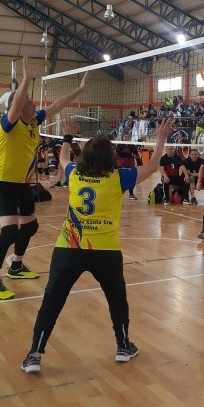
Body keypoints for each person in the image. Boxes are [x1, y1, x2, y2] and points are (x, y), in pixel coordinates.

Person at [20, 117, 173, 374]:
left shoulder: (74, 174)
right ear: (109, 157)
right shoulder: (119, 177)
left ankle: (34, 353)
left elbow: (65, 158)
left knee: (52, 301)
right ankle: (123, 346)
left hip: (69, 247)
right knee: (116, 300)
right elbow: (154, 164)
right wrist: (160, 139)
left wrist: (67, 137)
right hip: (105, 251)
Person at [0, 56, 88, 301]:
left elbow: (57, 105)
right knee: (8, 232)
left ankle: (16, 266)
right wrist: (27, 80)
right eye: (29, 103)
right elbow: (18, 102)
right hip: (4, 182)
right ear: (18, 109)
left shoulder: (33, 122)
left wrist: (79, 90)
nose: (34, 106)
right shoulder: (8, 124)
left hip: (23, 183)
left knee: (31, 226)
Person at [115, 136, 140, 200]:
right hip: (121, 164)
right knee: (121, 179)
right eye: (125, 137)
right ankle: (119, 193)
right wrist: (131, 155)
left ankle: (131, 194)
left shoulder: (132, 145)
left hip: (130, 164)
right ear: (122, 138)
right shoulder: (119, 145)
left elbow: (136, 154)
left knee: (131, 179)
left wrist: (139, 162)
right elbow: (120, 154)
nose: (126, 138)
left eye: (128, 137)